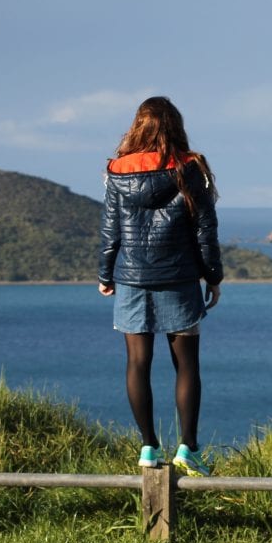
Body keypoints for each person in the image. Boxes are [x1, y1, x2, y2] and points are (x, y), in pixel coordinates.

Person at [98, 96, 222, 474]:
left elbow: (110, 229)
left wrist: (105, 273)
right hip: (180, 278)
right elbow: (205, 229)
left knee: (138, 362)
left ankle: (148, 447)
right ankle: (189, 448)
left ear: (138, 126)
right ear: (175, 126)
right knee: (187, 366)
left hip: (133, 279)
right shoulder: (191, 168)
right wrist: (212, 276)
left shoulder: (118, 171)